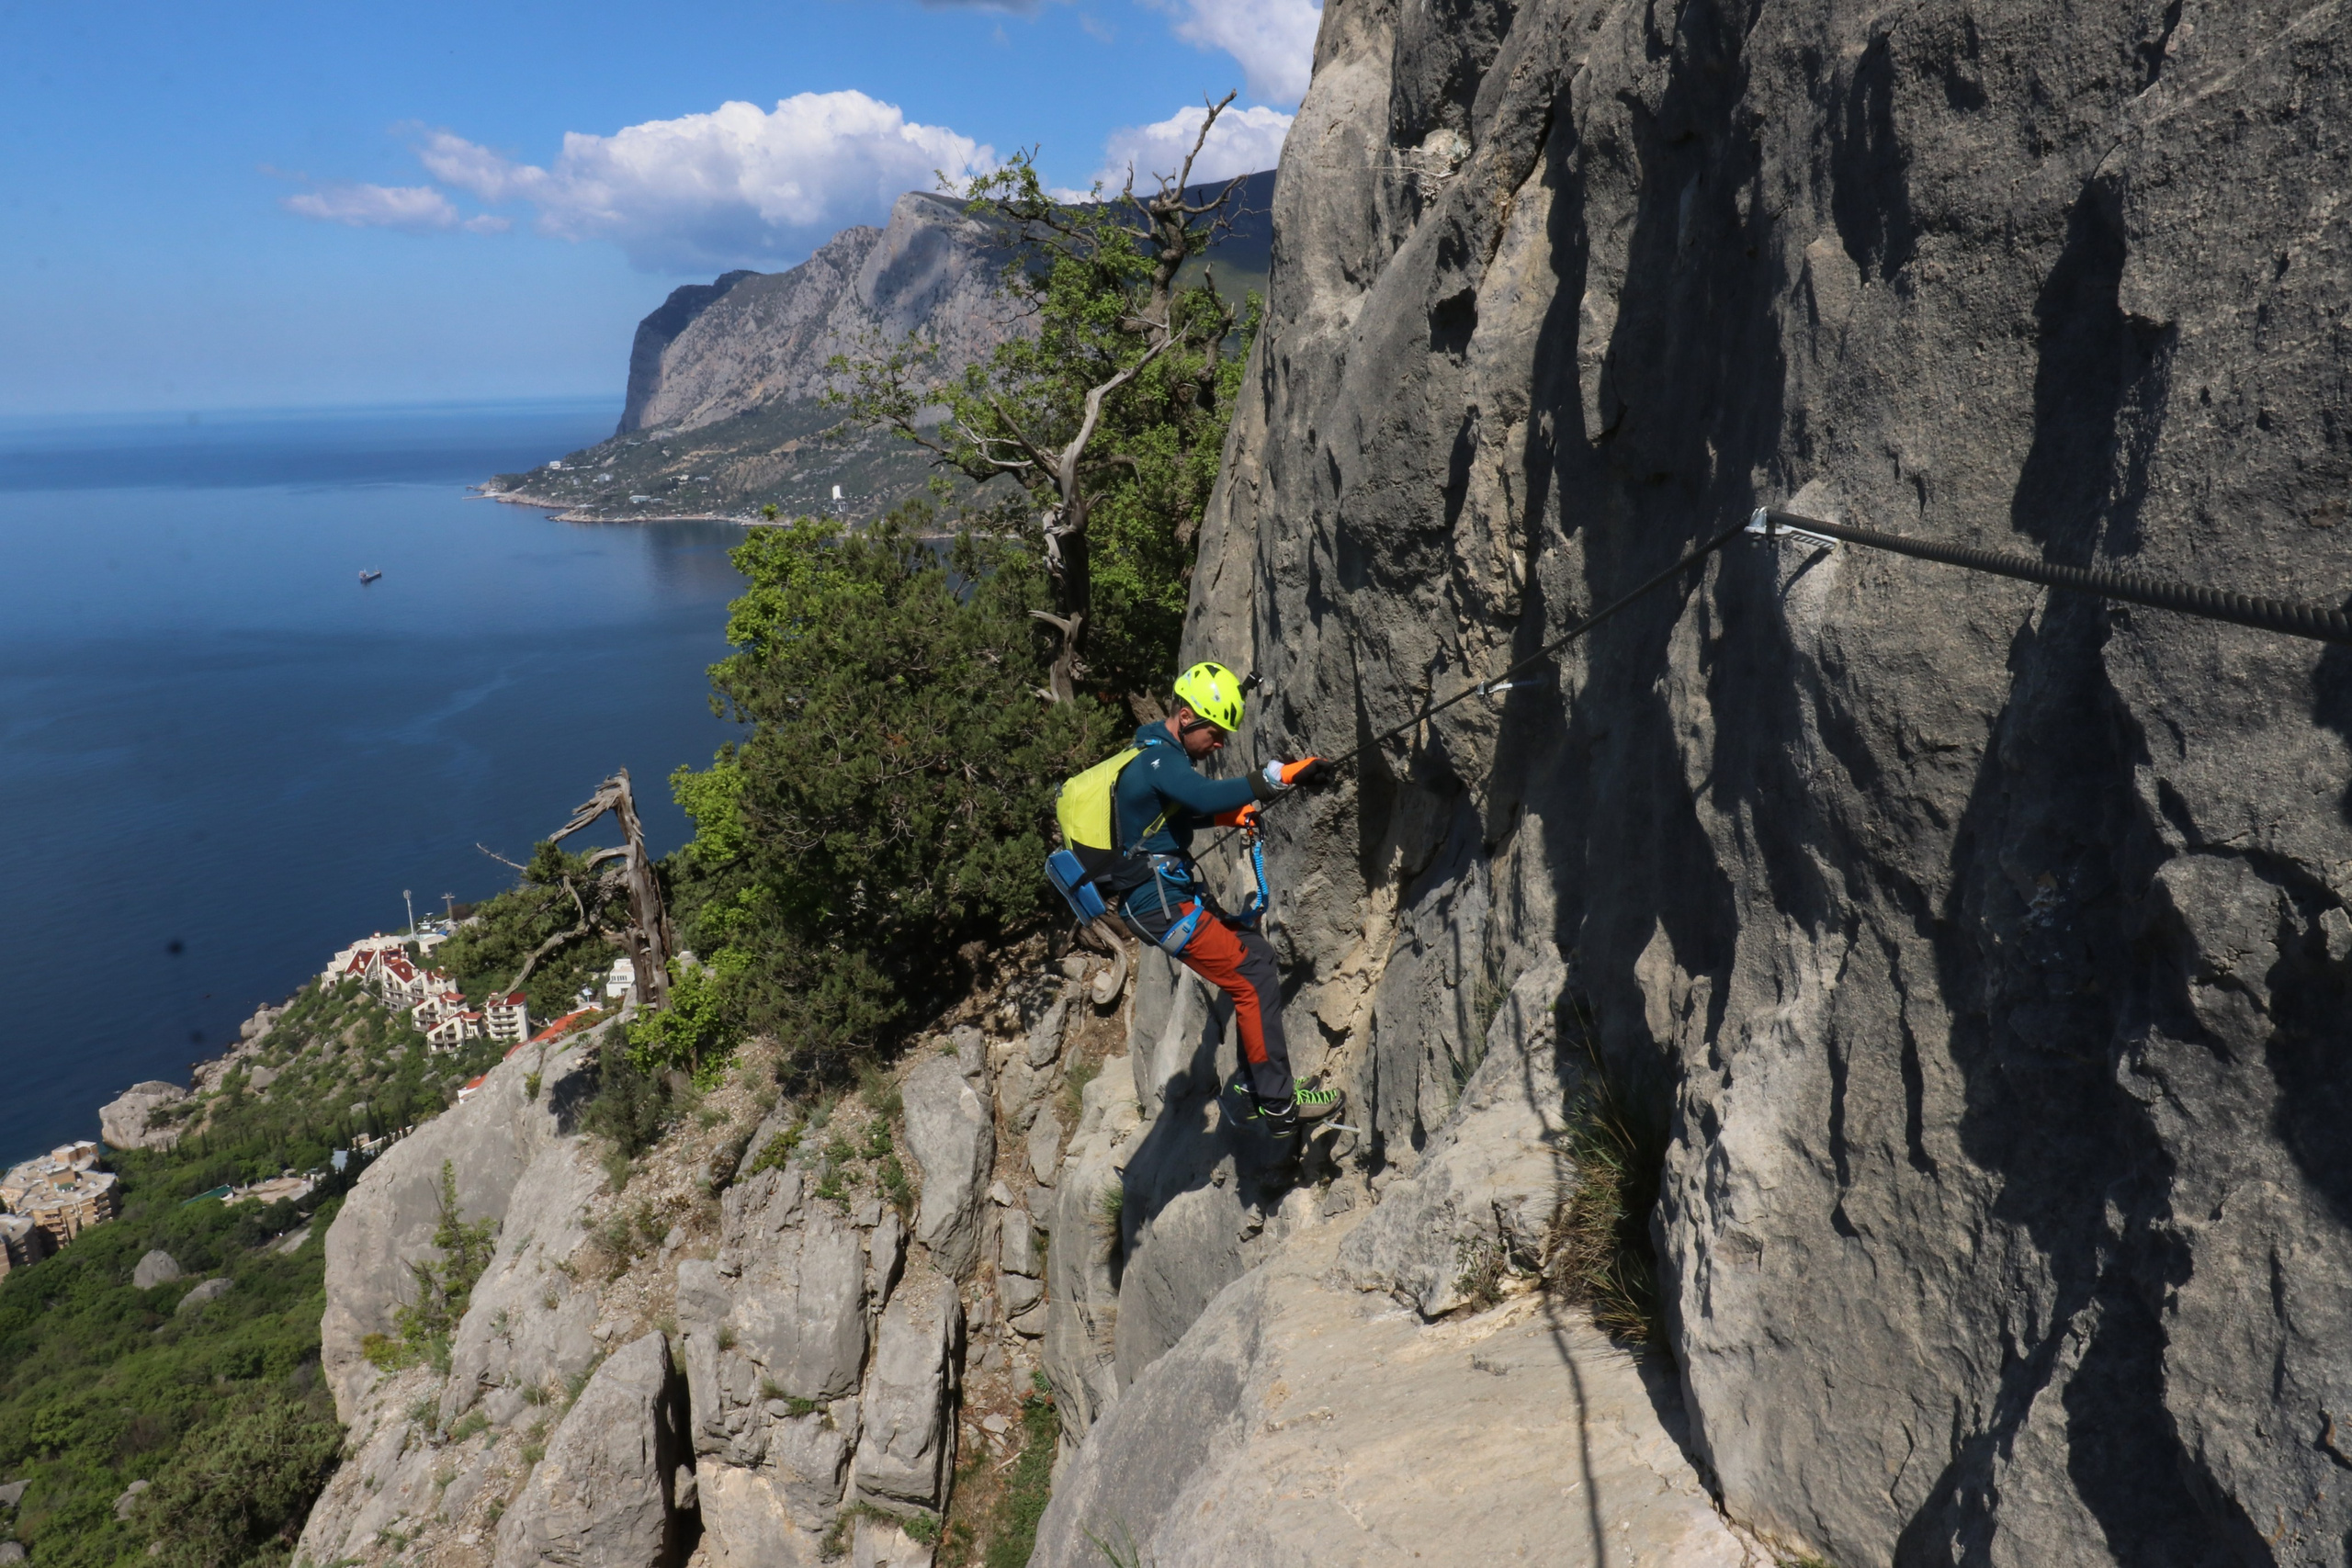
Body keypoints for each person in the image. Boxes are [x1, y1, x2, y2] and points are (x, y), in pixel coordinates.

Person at [1105, 661, 1340, 1144]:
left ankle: (1257, 1086)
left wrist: (1232, 816)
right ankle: (1278, 1107)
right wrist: (1280, 776)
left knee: (1256, 956)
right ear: (1186, 716)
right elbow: (1201, 794)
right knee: (1251, 976)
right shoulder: (1156, 761)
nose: (1220, 744)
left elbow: (1178, 815)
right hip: (1160, 907)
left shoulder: (1156, 755)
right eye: (1215, 733)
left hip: (1165, 898)